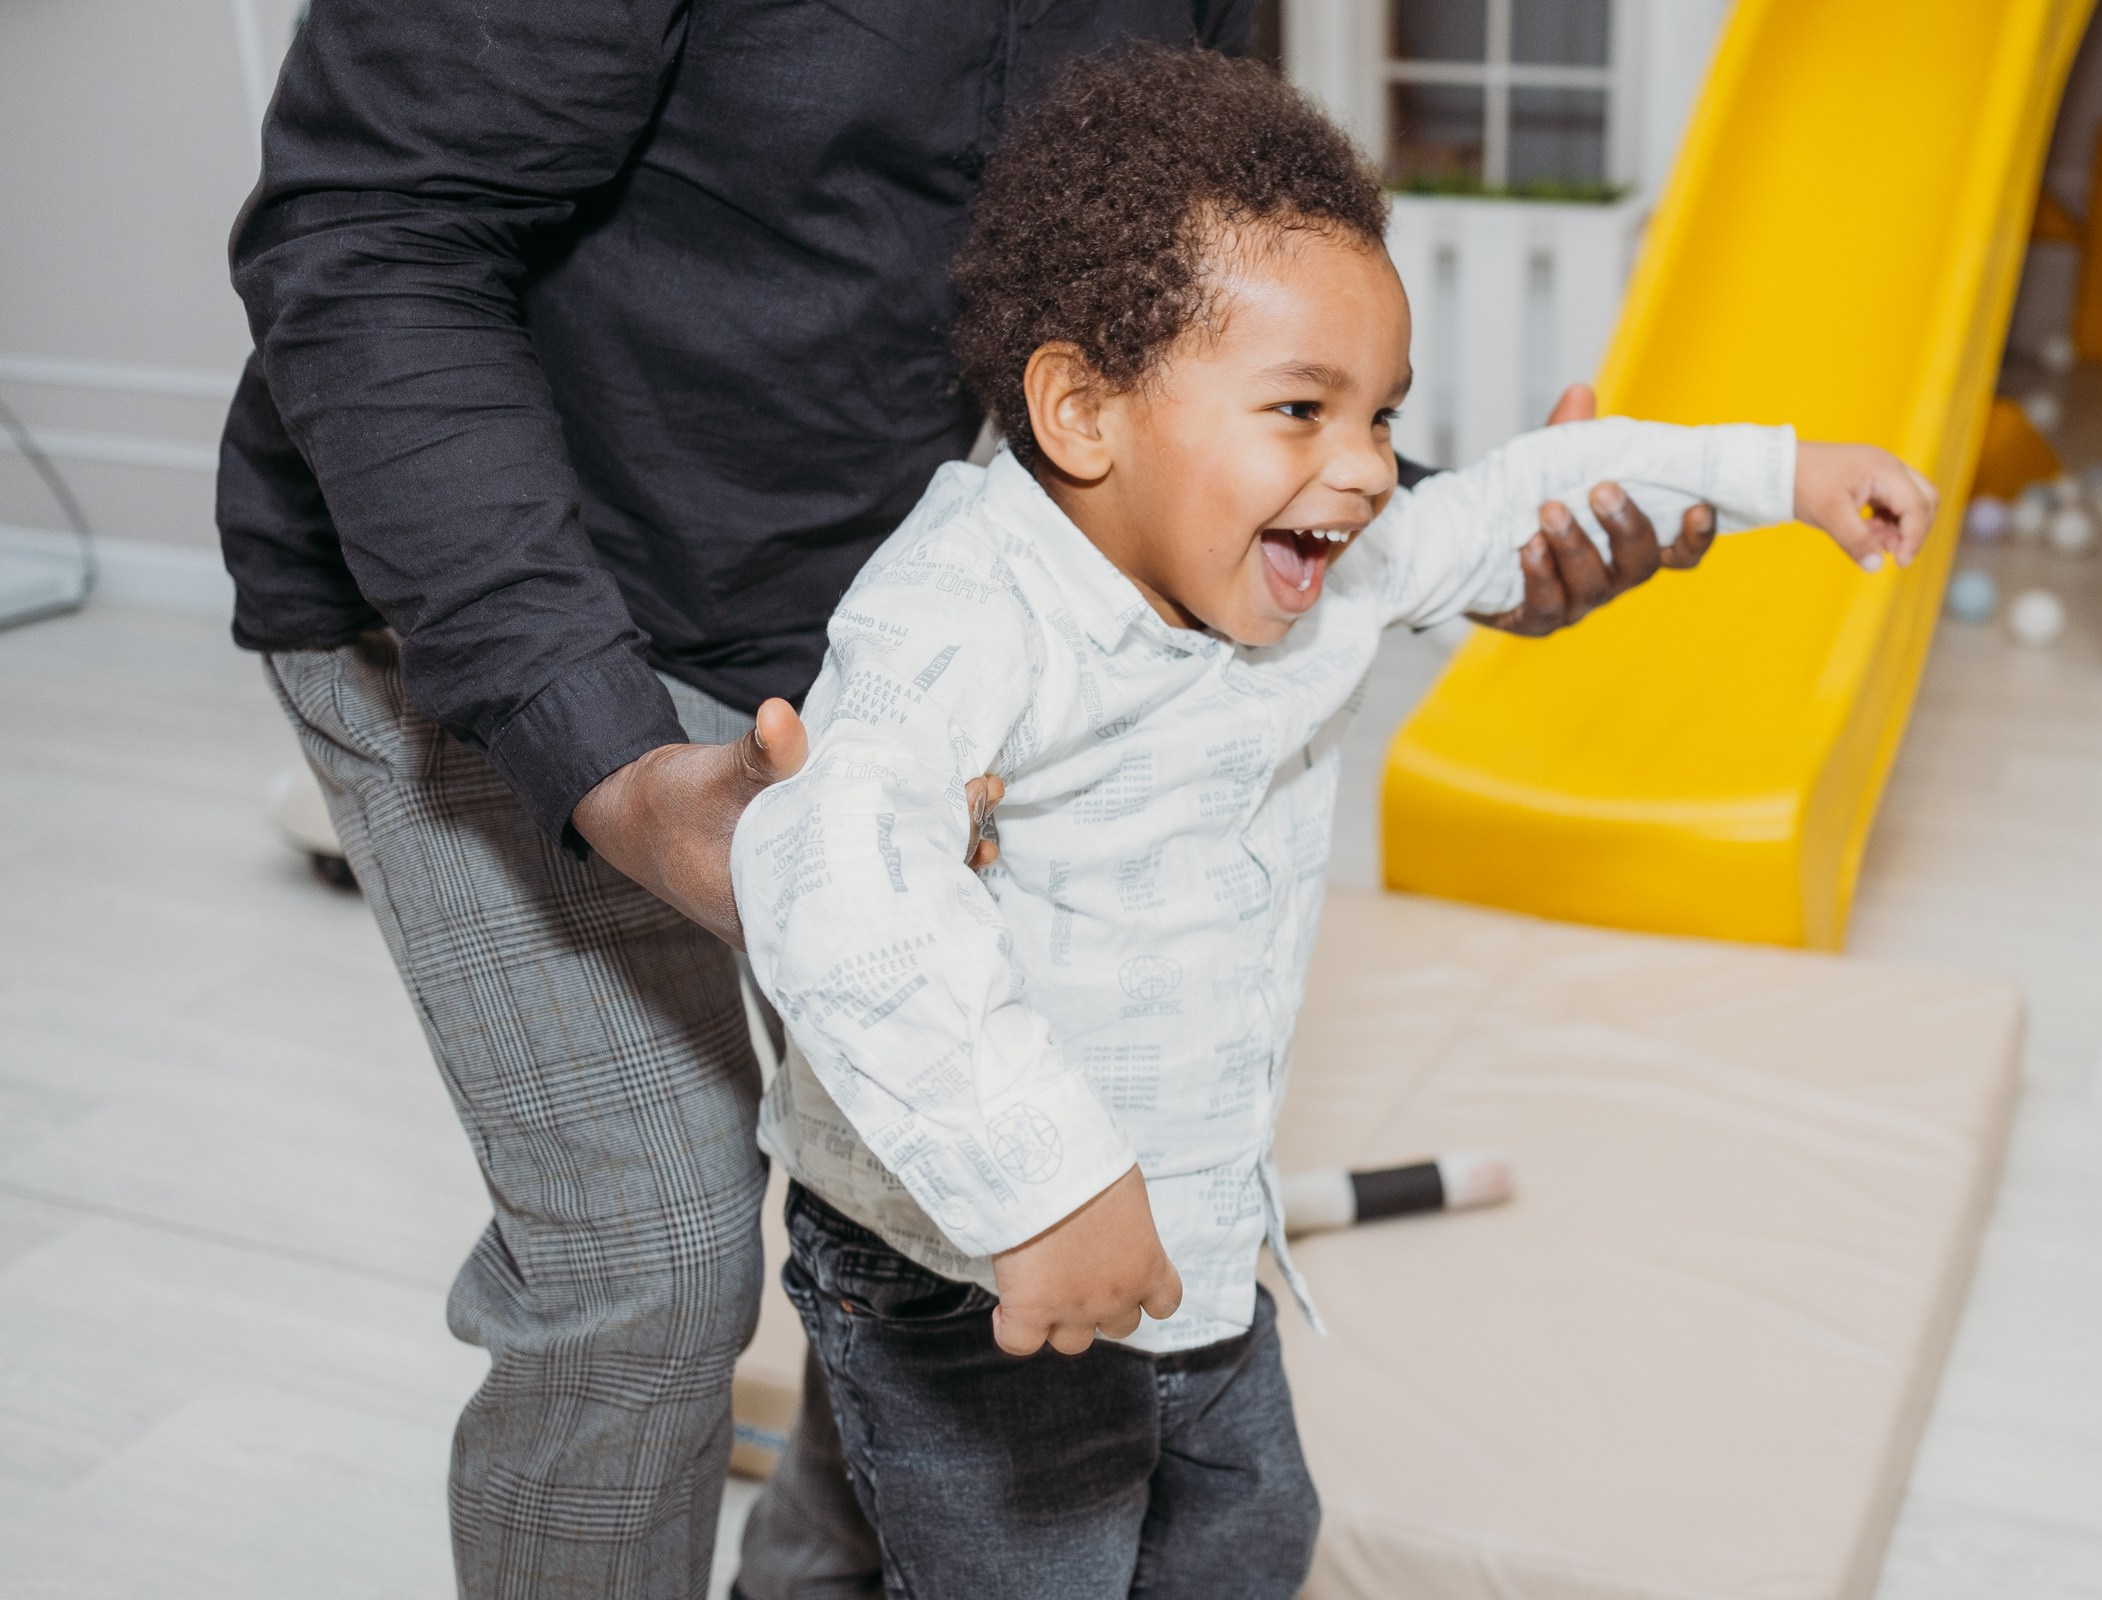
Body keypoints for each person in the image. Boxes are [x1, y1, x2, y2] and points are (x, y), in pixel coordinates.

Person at [212, 5, 1699, 1597]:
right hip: (489, 592)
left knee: (947, 1189)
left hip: (867, 618)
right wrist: (609, 764)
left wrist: (1367, 521)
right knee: (651, 1258)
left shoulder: (954, 619)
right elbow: (373, 237)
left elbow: (1179, 291)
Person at [731, 44, 1937, 1600]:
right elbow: (831, 872)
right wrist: (1044, 1180)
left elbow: (1517, 493)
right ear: (1083, 409)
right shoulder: (969, 614)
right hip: (971, 1267)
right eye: (1304, 409)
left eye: (1380, 415)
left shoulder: (1317, 570)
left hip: (1199, 1229)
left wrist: (1781, 473)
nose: (1366, 470)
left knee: (1248, 1537)